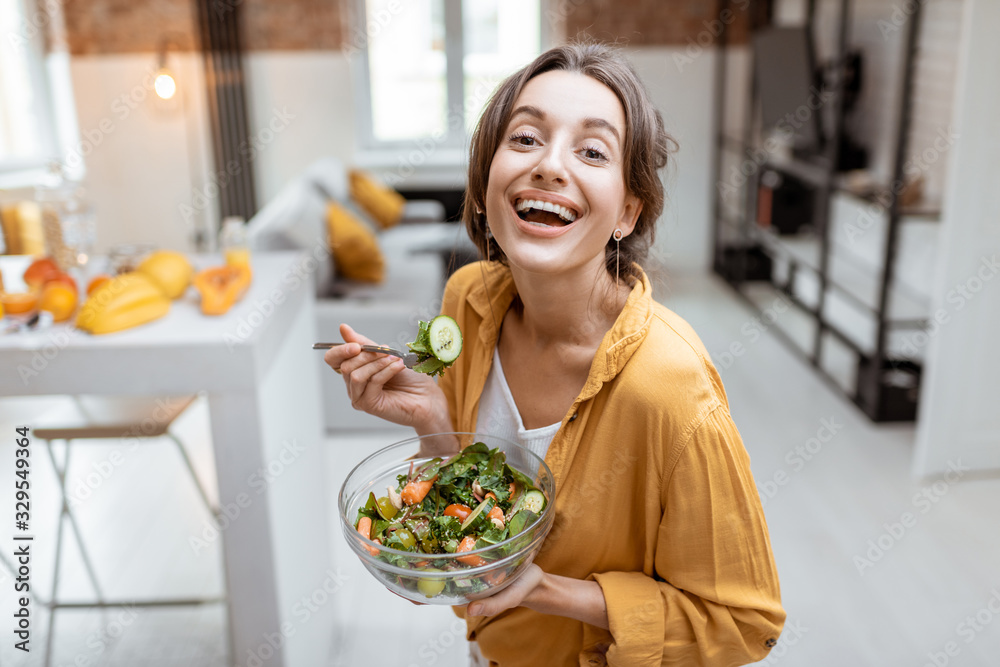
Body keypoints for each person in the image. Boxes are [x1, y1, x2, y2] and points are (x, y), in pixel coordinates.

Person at [326, 42, 785, 667]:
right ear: (487, 184)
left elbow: (744, 623)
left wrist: (550, 591)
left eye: (592, 151)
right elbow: (475, 517)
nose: (549, 165)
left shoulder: (671, 387)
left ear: (627, 210)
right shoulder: (468, 299)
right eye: (525, 139)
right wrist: (433, 421)